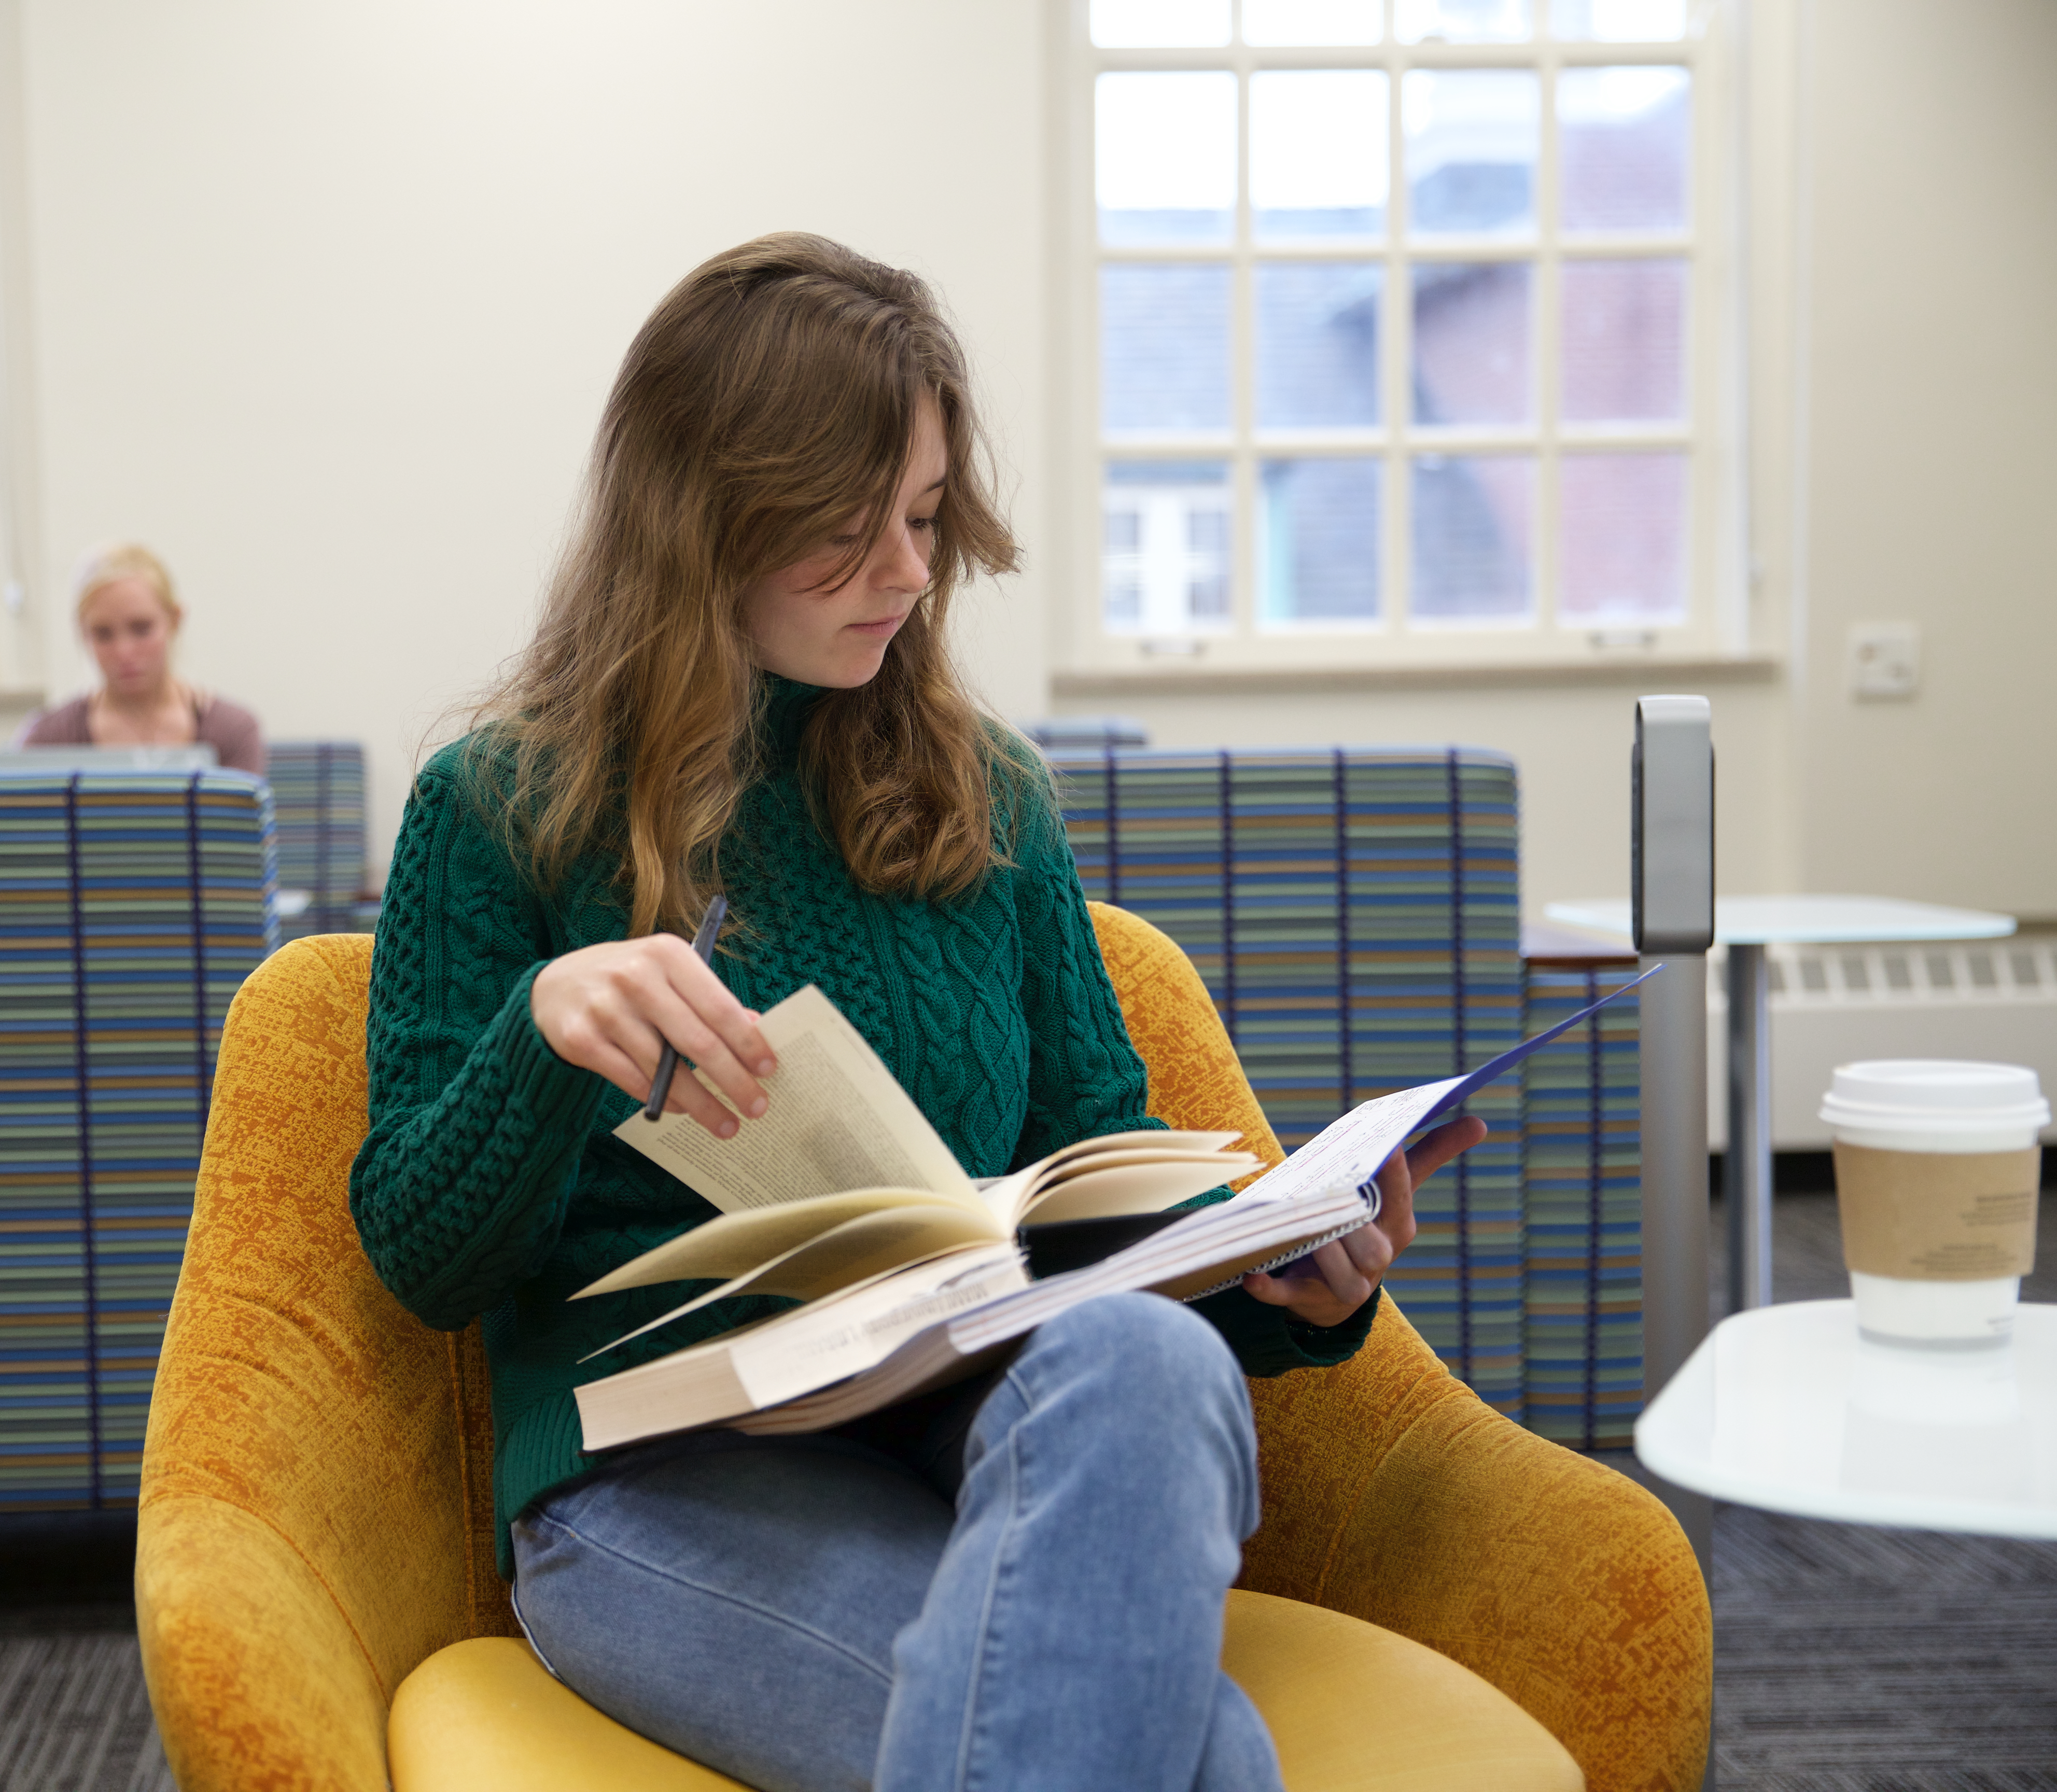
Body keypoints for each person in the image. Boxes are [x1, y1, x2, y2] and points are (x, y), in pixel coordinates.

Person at [350, 234, 1485, 1792]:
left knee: (1155, 1370)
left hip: (964, 1433)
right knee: (1208, 1762)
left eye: (928, 516)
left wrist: (1291, 1282)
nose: (909, 569)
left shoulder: (988, 794)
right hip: (657, 1480)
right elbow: (417, 1256)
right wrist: (542, 1042)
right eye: (850, 526)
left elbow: (1109, 1186)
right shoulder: (495, 810)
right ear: (705, 517)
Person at [12, 543, 265, 775]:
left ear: (175, 621)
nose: (124, 652)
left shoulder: (231, 731)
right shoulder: (48, 740)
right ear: (83, 634)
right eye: (103, 634)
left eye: (142, 629)